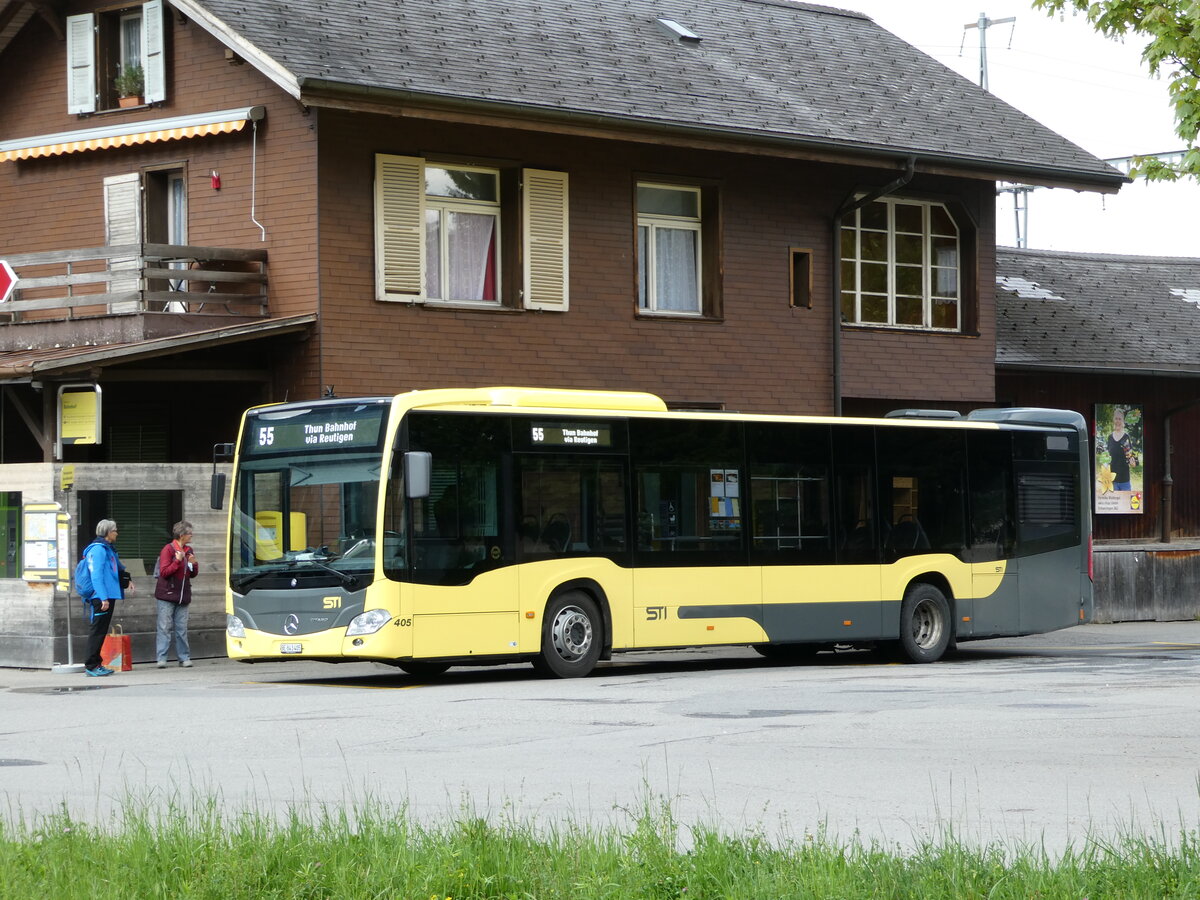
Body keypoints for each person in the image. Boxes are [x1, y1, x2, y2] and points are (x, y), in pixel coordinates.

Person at [82, 519, 133, 677]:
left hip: (108, 595)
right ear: (108, 533)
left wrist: (128, 579)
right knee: (97, 630)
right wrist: (103, 598)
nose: (117, 533)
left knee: (101, 630)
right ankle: (91, 665)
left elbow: (118, 568)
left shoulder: (108, 549)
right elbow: (96, 575)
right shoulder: (98, 550)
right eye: (115, 530)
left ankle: (97, 663)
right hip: (101, 597)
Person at [155, 520, 198, 668]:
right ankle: (161, 658)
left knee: (181, 629)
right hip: (167, 595)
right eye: (189, 533)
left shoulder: (189, 550)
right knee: (164, 628)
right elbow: (164, 572)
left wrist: (194, 563)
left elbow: (193, 574)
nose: (191, 535)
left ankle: (184, 658)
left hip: (183, 596)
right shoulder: (168, 550)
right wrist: (177, 561)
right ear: (181, 535)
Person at [1107, 407, 1137, 492]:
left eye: (1120, 419)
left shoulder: (1126, 437)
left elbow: (1131, 457)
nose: (1118, 421)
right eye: (1116, 418)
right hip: (1112, 480)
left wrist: (1133, 462)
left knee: (1126, 501)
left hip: (1125, 480)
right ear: (1113, 420)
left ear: (1123, 421)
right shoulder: (1110, 437)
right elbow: (1107, 457)